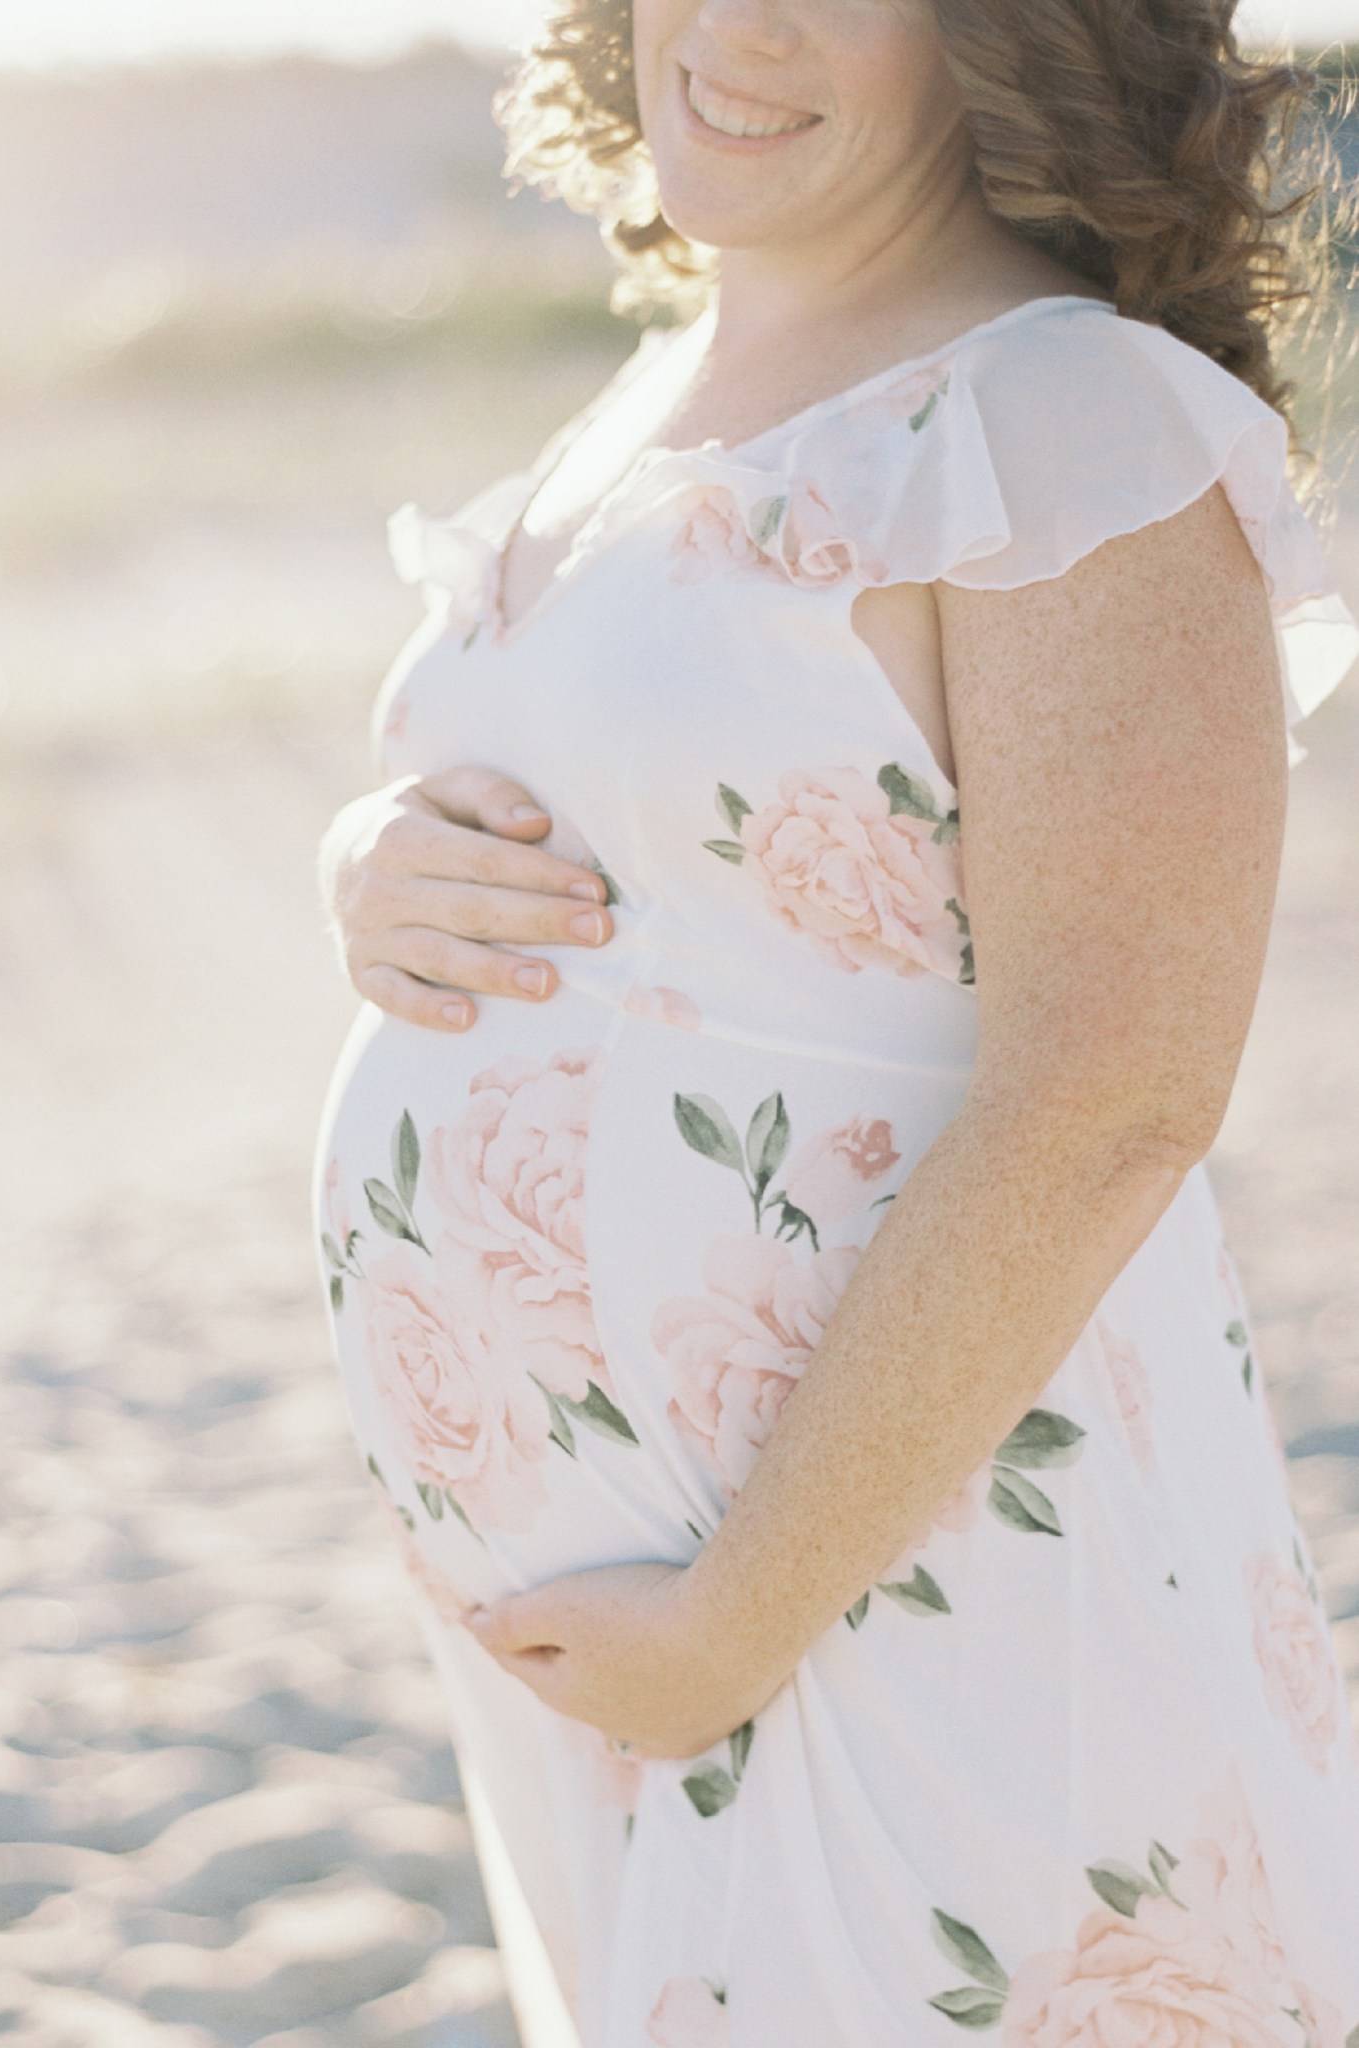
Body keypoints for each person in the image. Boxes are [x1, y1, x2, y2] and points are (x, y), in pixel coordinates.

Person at [313, 1, 1359, 2040]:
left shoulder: (1067, 423)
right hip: (637, 1632)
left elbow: (1118, 1089)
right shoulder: (654, 385)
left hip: (890, 1586)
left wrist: (729, 1622)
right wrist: (363, 865)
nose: (743, 22)